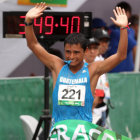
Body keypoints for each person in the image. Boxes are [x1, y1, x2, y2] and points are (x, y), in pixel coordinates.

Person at [24, 2, 128, 133]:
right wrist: (28, 22)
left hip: (81, 134)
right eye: (68, 51)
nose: (71, 56)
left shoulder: (93, 70)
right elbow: (33, 44)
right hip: (59, 133)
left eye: (76, 52)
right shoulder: (57, 65)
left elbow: (121, 55)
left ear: (85, 51)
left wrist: (124, 28)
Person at [106, 1, 137, 72]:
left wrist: (136, 69)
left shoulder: (131, 31)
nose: (119, 15)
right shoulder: (110, 30)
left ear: (129, 14)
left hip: (127, 72)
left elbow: (134, 47)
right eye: (117, 12)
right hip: (111, 72)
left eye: (123, 12)